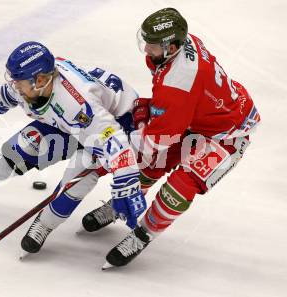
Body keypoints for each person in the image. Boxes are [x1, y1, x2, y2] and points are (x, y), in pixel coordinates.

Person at [0, 41, 148, 256]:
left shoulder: (78, 104)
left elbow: (115, 143)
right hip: (67, 123)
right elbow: (17, 90)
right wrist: (2, 96)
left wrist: (126, 183)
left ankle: (44, 224)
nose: (14, 85)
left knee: (74, 182)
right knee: (12, 155)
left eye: (18, 81)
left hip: (112, 127)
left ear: (40, 80)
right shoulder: (38, 83)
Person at [81, 8, 261, 269]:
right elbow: (173, 114)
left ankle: (144, 234)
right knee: (149, 164)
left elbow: (160, 138)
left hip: (227, 134)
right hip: (194, 117)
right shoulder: (180, 48)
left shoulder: (179, 81)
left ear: (172, 46)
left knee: (179, 187)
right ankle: (123, 204)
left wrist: (118, 149)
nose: (146, 51)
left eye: (152, 46)